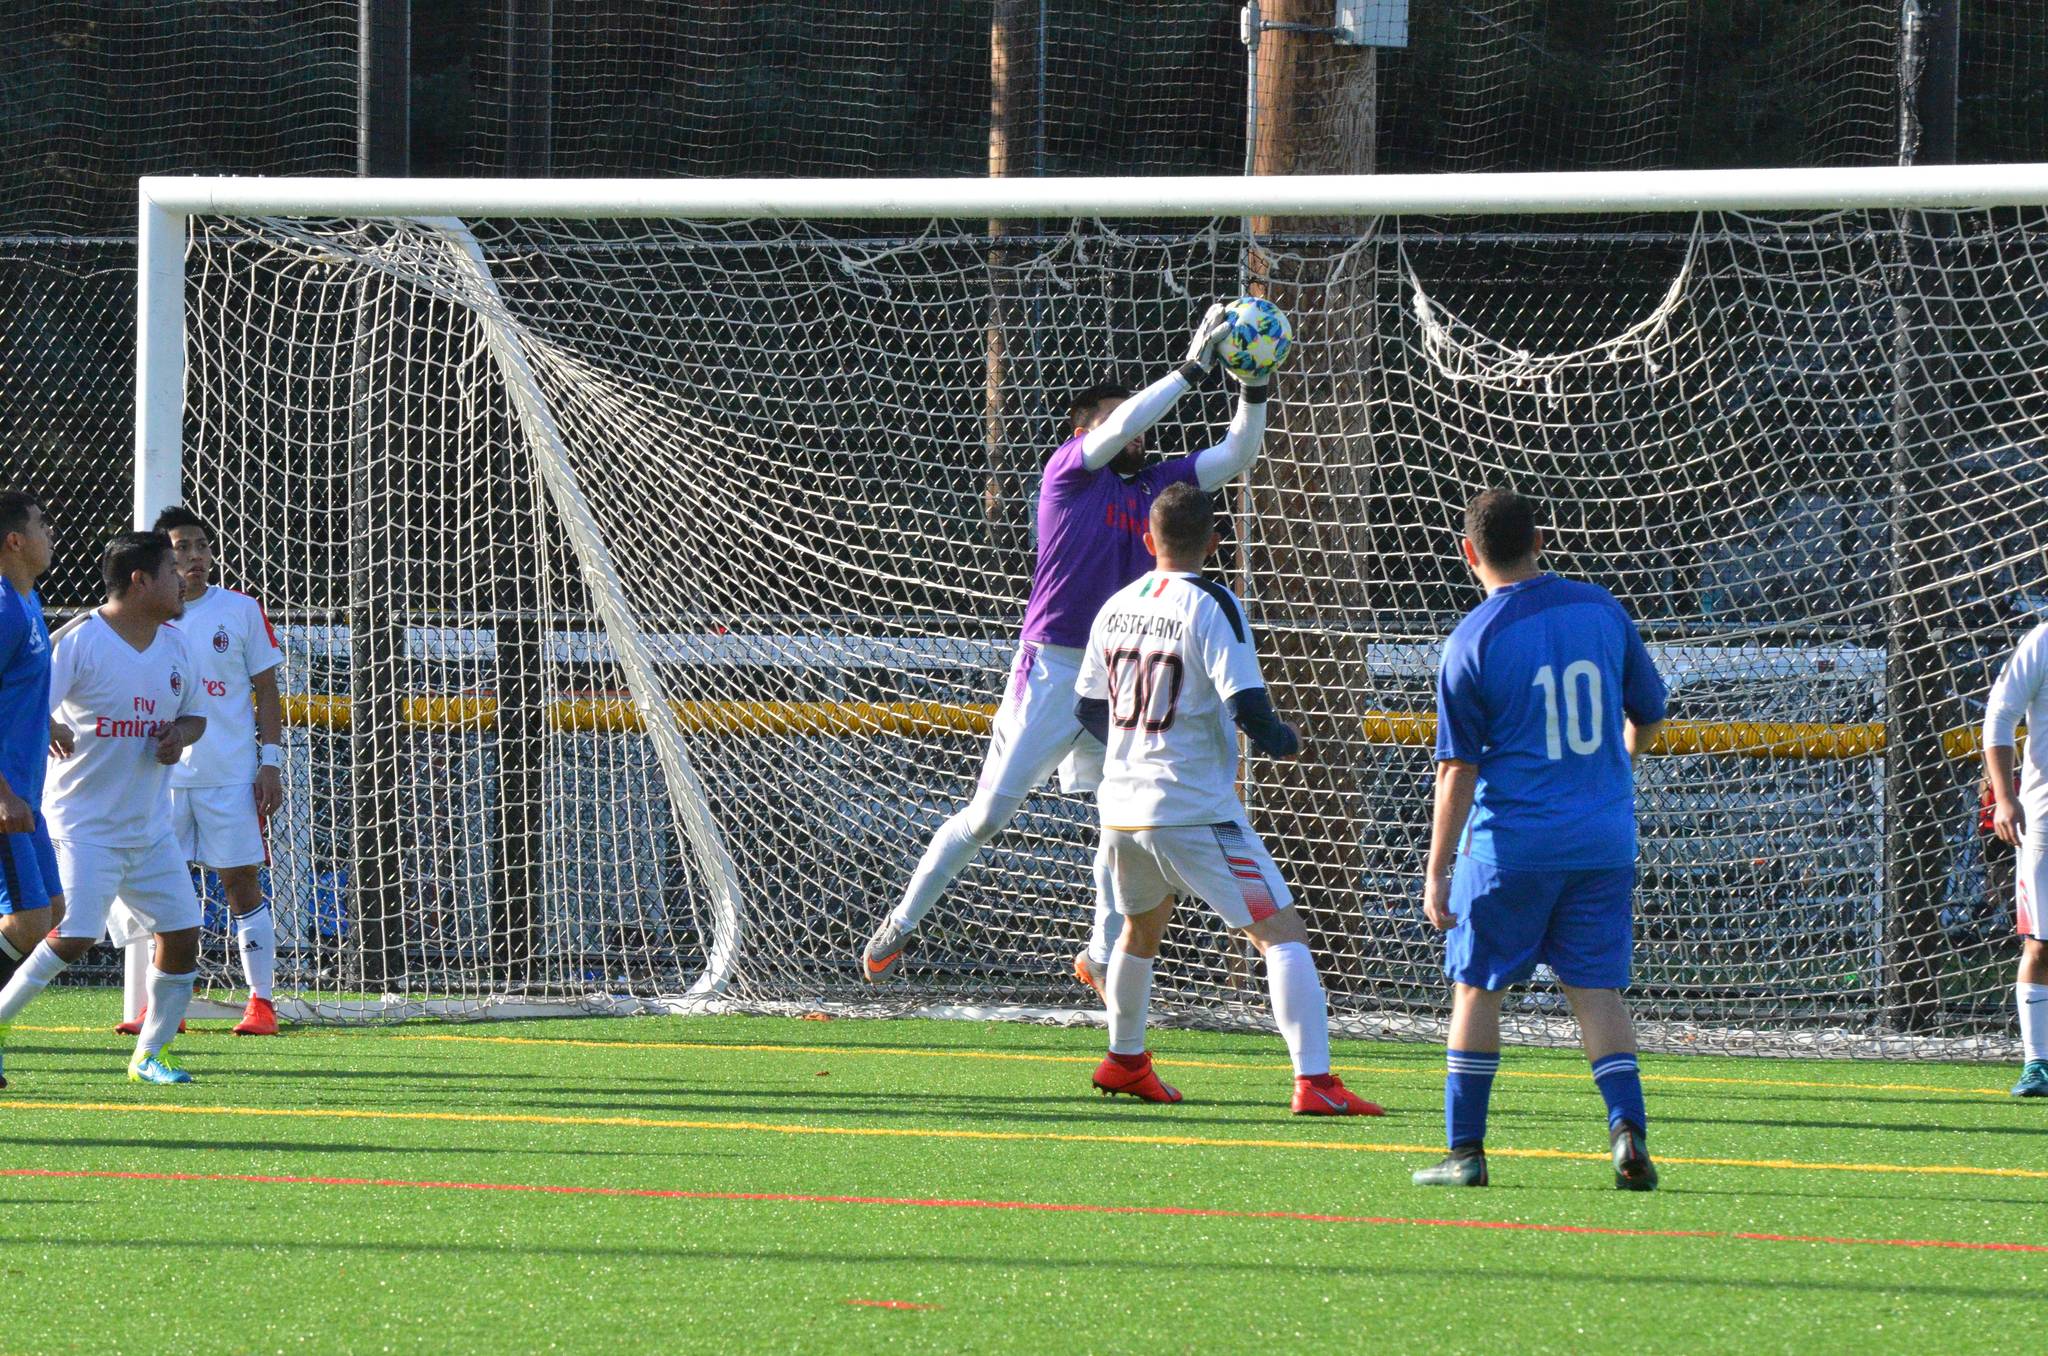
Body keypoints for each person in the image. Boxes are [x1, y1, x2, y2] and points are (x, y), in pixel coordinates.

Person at [863, 303, 1273, 993]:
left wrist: (1252, 384)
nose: (1136, 431)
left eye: (1135, 422)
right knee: (987, 817)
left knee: (1122, 818)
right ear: (1082, 428)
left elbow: (1239, 453)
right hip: (1051, 669)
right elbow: (1121, 425)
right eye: (1115, 419)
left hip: (1117, 674)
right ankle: (901, 923)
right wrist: (1188, 369)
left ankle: (1101, 956)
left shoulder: (1154, 485)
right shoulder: (1068, 473)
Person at [1072, 484, 1381, 1115]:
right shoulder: (1213, 601)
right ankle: (1316, 1084)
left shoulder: (1115, 605)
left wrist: (1137, 751)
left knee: (1139, 928)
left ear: (1148, 540)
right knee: (1282, 933)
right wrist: (1283, 740)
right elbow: (1247, 705)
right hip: (1192, 807)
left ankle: (1126, 1060)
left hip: (1122, 807)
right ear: (1215, 541)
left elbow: (1086, 706)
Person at [1412, 489, 1667, 1189]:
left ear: (1469, 553)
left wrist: (1436, 872)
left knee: (1476, 991)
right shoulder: (1600, 608)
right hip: (1602, 841)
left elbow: (1459, 768)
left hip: (1511, 849)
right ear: (1541, 540)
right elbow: (1650, 711)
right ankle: (1626, 1133)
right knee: (1598, 994)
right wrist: (1620, 763)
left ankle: (1465, 1153)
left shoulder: (1472, 639)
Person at [0, 531, 206, 1086]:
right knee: (70, 936)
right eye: (171, 568)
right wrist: (49, 725)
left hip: (149, 828)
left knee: (184, 932)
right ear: (140, 580)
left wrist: (179, 734)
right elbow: (25, 705)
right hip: (81, 825)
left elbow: (196, 715)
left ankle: (150, 1054)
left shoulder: (175, 644)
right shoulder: (80, 640)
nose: (184, 576)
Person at [113, 505, 285, 1038]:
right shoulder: (145, 619)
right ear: (163, 559)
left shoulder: (240, 610)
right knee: (154, 889)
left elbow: (267, 690)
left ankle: (261, 1002)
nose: (194, 557)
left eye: (201, 546)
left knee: (240, 884)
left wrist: (270, 762)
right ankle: (161, 1008)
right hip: (160, 779)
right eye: (182, 548)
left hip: (229, 775)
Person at [0, 491, 61, 1031]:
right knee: (28, 920)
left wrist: (48, 725)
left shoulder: (28, 601)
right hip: (7, 795)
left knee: (55, 912)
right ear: (15, 540)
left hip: (27, 794)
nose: (51, 535)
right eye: (41, 526)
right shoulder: (1, 607)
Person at [1981, 623, 2048, 1097]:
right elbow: (1999, 715)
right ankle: (2037, 1064)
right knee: (2042, 944)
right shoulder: (2043, 640)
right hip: (2045, 816)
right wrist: (2005, 797)